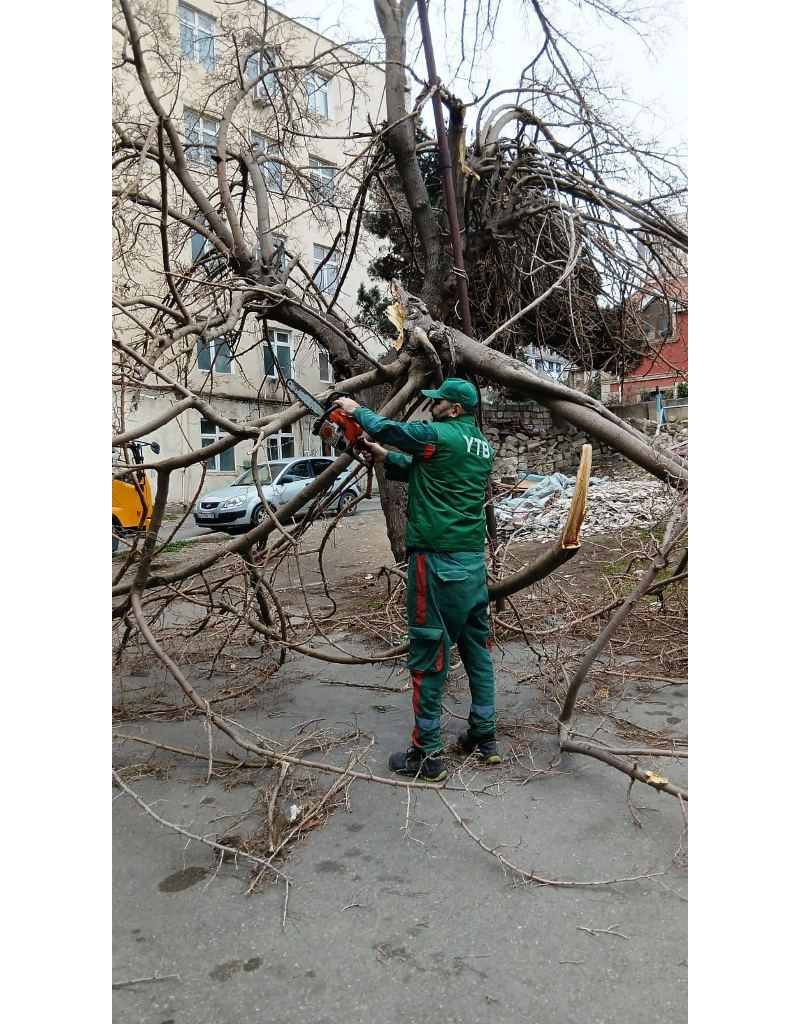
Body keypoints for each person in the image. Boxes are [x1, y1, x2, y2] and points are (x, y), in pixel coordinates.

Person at [334, 378, 502, 783]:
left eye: (439, 401)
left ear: (456, 408)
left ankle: (427, 754)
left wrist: (355, 411)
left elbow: (392, 430)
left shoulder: (437, 435)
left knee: (429, 655)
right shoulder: (480, 446)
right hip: (472, 564)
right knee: (477, 651)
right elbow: (431, 472)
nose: (432, 405)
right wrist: (382, 455)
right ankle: (485, 736)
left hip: (436, 564)